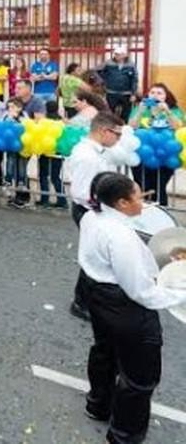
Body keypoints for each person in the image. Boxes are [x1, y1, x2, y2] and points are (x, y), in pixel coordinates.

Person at [78, 171, 186, 443]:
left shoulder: (93, 216)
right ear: (122, 203)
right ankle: (123, 436)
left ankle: (98, 405)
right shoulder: (120, 236)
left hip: (98, 294)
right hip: (124, 306)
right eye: (138, 196)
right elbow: (142, 292)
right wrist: (179, 294)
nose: (144, 200)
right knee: (140, 377)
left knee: (105, 351)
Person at [65, 111, 123, 321]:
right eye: (117, 134)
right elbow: (81, 192)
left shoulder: (96, 151)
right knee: (95, 257)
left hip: (94, 209)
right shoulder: (88, 156)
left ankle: (88, 299)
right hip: (89, 211)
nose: (119, 139)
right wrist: (106, 207)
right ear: (103, 131)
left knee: (98, 255)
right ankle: (81, 303)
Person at [128, 82, 183, 207]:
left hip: (164, 155)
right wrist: (140, 111)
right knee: (142, 186)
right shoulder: (140, 109)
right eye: (152, 92)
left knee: (159, 187)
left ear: (166, 96)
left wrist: (167, 111)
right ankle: (142, 211)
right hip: (142, 154)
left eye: (159, 93)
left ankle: (161, 211)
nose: (155, 95)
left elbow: (178, 127)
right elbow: (131, 126)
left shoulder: (174, 110)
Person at [36, 100, 65, 209]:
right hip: (58, 152)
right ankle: (62, 200)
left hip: (45, 152)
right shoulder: (61, 122)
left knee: (43, 176)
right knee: (55, 177)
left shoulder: (44, 122)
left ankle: (45, 199)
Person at [97, 47, 139, 120]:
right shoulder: (108, 63)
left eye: (119, 54)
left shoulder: (131, 64)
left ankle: (123, 125)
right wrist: (104, 80)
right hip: (111, 93)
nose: (117, 56)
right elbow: (97, 70)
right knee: (110, 112)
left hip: (126, 94)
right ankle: (110, 125)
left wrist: (133, 94)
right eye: (116, 54)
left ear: (125, 55)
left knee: (126, 113)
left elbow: (134, 79)